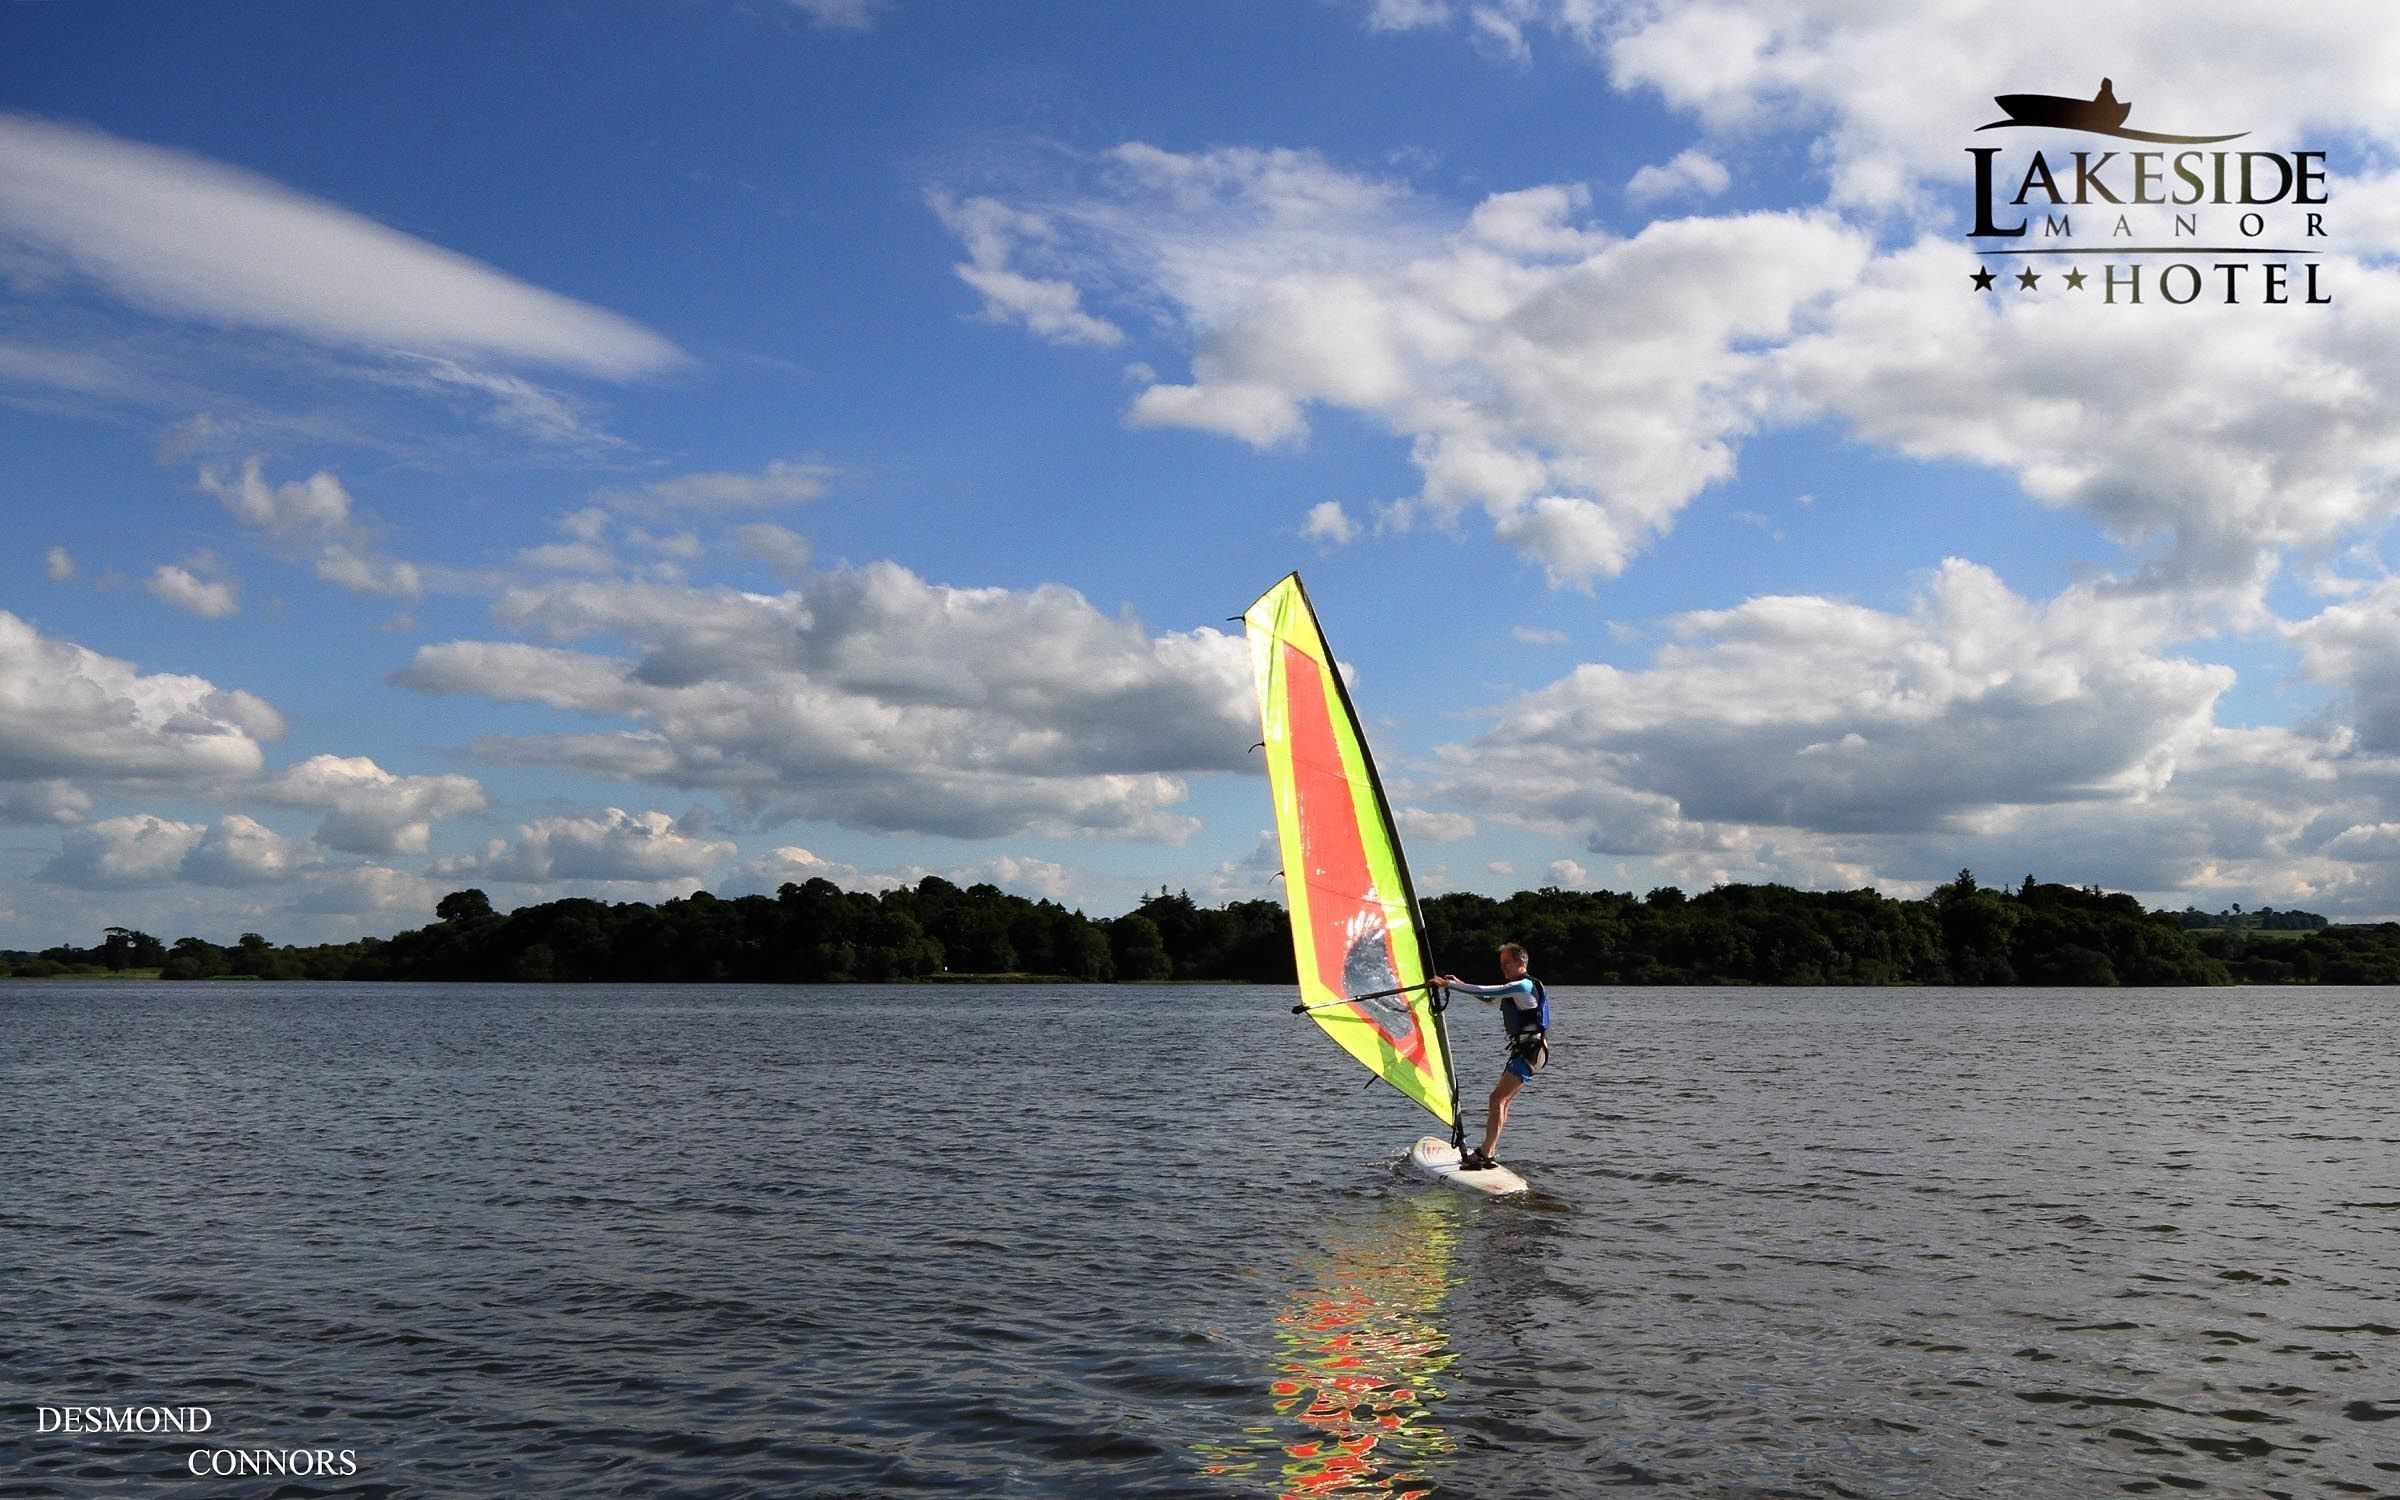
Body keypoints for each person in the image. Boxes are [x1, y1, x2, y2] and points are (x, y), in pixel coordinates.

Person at [1436, 943, 1549, 1170]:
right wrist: (1458, 984)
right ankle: (1489, 1152)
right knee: (1501, 1102)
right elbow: (1488, 999)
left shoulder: (1523, 986)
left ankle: (1486, 1153)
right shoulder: (1517, 988)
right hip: (1528, 1052)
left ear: (1521, 963)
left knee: (1496, 1099)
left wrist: (1448, 984)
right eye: (1502, 964)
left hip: (1530, 1051)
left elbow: (1488, 991)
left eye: (1508, 963)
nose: (1504, 967)